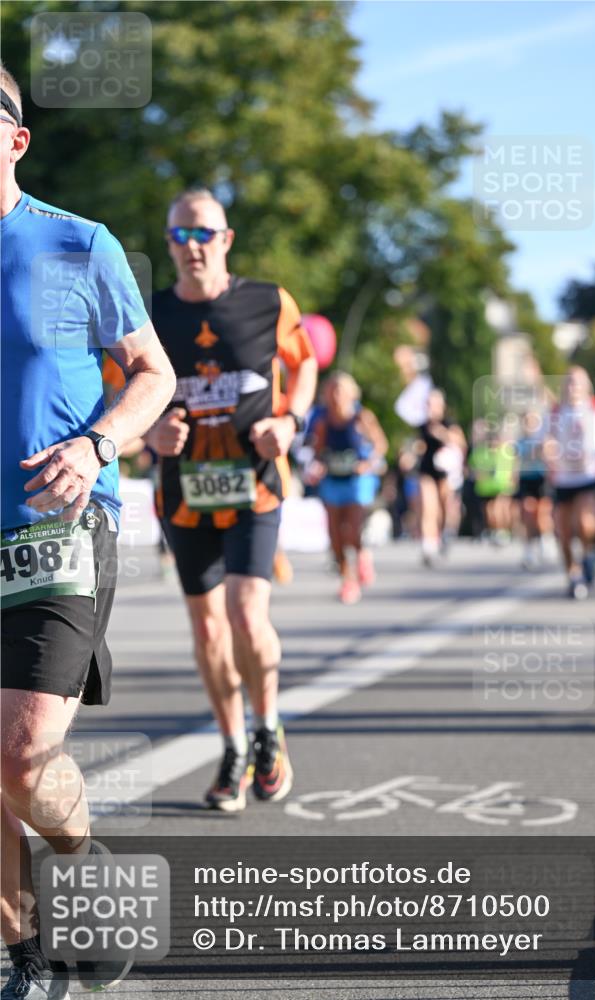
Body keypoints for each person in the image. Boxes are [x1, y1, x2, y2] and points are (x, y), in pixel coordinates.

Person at [0, 64, 176, 1000]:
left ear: (17, 139)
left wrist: (97, 442)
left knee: (23, 756)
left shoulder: (74, 244)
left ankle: (87, 867)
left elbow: (153, 373)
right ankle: (21, 954)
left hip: (56, 523)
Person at [144, 187, 317, 813]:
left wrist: (291, 421)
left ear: (226, 240)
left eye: (204, 234)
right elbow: (114, 390)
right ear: (169, 244)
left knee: (247, 614)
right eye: (180, 236)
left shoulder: (269, 301)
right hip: (183, 495)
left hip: (255, 487)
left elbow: (306, 364)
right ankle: (233, 744)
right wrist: (145, 432)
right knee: (209, 628)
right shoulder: (148, 313)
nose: (192, 247)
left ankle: (268, 728)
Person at [307, 372, 387, 604]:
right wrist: (318, 467)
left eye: (340, 390)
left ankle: (359, 559)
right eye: (332, 390)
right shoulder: (323, 420)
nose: (336, 395)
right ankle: (347, 579)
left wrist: (368, 464)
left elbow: (380, 444)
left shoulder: (362, 417)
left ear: (352, 393)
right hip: (333, 480)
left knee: (351, 530)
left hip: (356, 481)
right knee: (335, 536)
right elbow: (318, 452)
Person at [544, 367, 595, 599]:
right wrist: (548, 451)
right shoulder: (555, 413)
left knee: (586, 523)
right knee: (564, 533)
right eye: (568, 382)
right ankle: (573, 576)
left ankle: (588, 554)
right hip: (563, 478)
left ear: (586, 385)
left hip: (588, 476)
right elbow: (543, 440)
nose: (572, 387)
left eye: (577, 382)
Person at [415, 389, 466, 565]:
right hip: (427, 469)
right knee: (429, 508)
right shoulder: (422, 426)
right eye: (428, 404)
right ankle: (428, 546)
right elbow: (418, 446)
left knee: (445, 508)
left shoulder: (449, 423)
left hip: (446, 472)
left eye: (434, 404)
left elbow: (460, 443)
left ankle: (446, 534)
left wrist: (442, 434)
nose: (431, 408)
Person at [512, 410, 552, 568]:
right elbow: (516, 461)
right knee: (528, 514)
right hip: (526, 480)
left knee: (542, 514)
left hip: (541, 479)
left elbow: (548, 457)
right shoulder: (520, 442)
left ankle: (545, 541)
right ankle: (529, 549)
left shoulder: (543, 440)